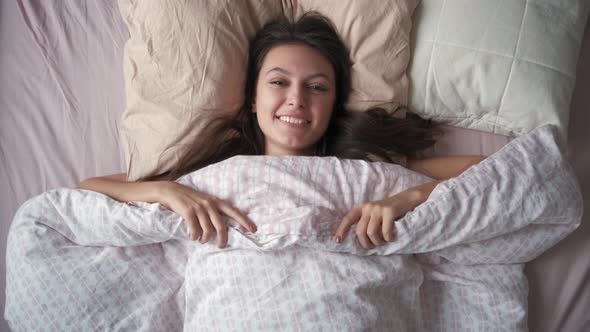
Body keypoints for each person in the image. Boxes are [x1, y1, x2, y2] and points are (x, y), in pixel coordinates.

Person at [79, 12, 484, 250]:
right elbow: (90, 188)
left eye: (317, 87)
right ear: (253, 99)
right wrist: (164, 189)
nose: (296, 100)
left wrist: (406, 197)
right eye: (278, 82)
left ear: (333, 104)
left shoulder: (364, 171)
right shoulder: (210, 174)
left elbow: (488, 173)